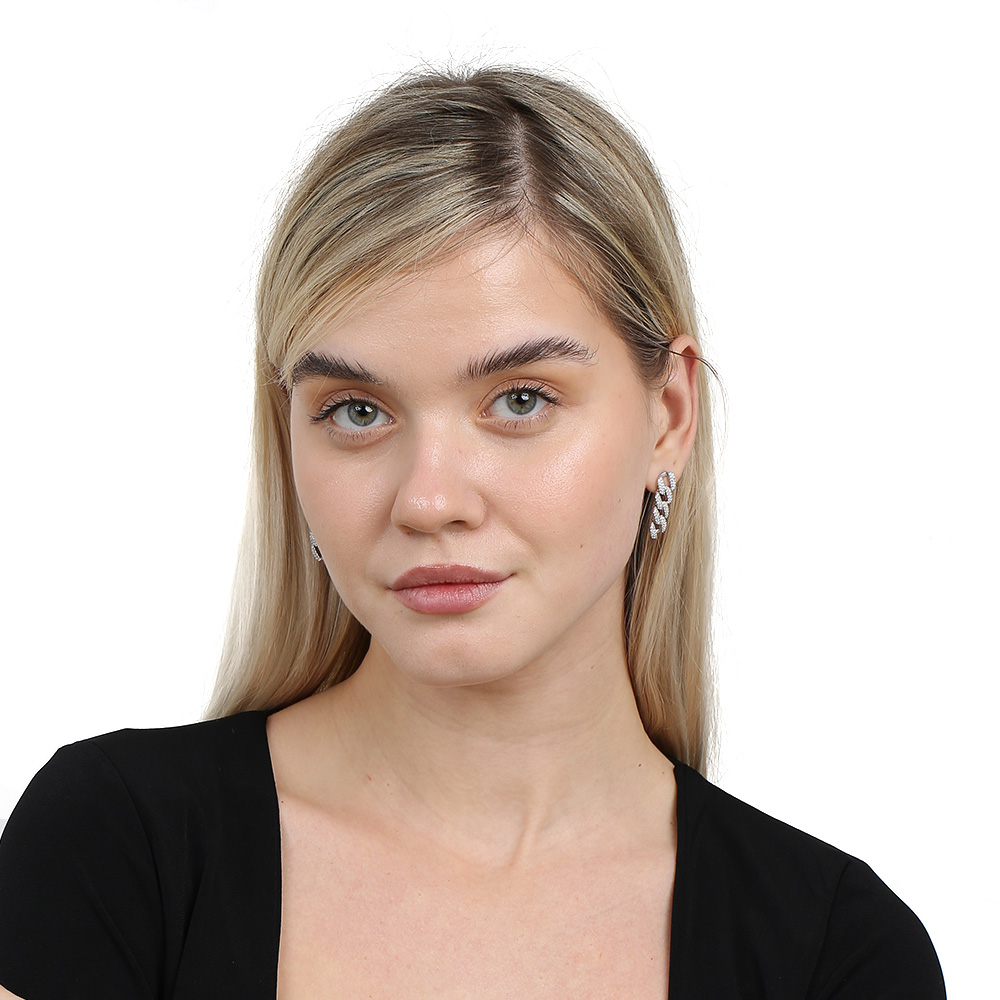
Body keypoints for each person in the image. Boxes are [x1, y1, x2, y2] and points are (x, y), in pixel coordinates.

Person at [0, 66, 944, 999]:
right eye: (357, 411)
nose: (428, 500)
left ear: (668, 415)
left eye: (520, 400)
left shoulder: (839, 958)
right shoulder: (113, 848)